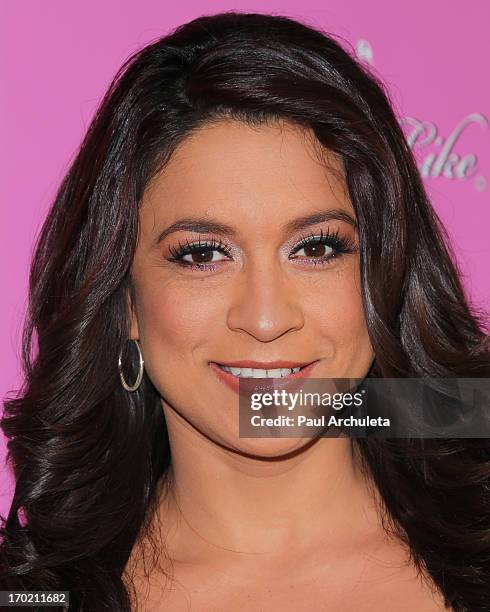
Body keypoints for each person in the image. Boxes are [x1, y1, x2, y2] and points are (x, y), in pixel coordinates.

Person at [1, 11, 489, 612]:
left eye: (317, 248)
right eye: (203, 254)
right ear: (123, 300)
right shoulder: (32, 596)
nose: (264, 318)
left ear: (386, 273)